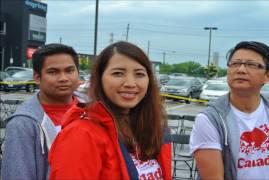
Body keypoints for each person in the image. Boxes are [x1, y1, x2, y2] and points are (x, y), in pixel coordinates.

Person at [48, 41, 171, 179]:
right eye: (118, 73)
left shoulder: (152, 127)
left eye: (139, 74)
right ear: (99, 79)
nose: (130, 83)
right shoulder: (81, 134)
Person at [190, 41, 269, 179]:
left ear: (268, 76)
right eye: (235, 64)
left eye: (251, 65)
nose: (241, 69)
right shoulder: (210, 119)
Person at [1, 43, 80, 180]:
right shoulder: (23, 123)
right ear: (37, 77)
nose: (63, 78)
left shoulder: (93, 112)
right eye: (52, 72)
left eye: (69, 70)